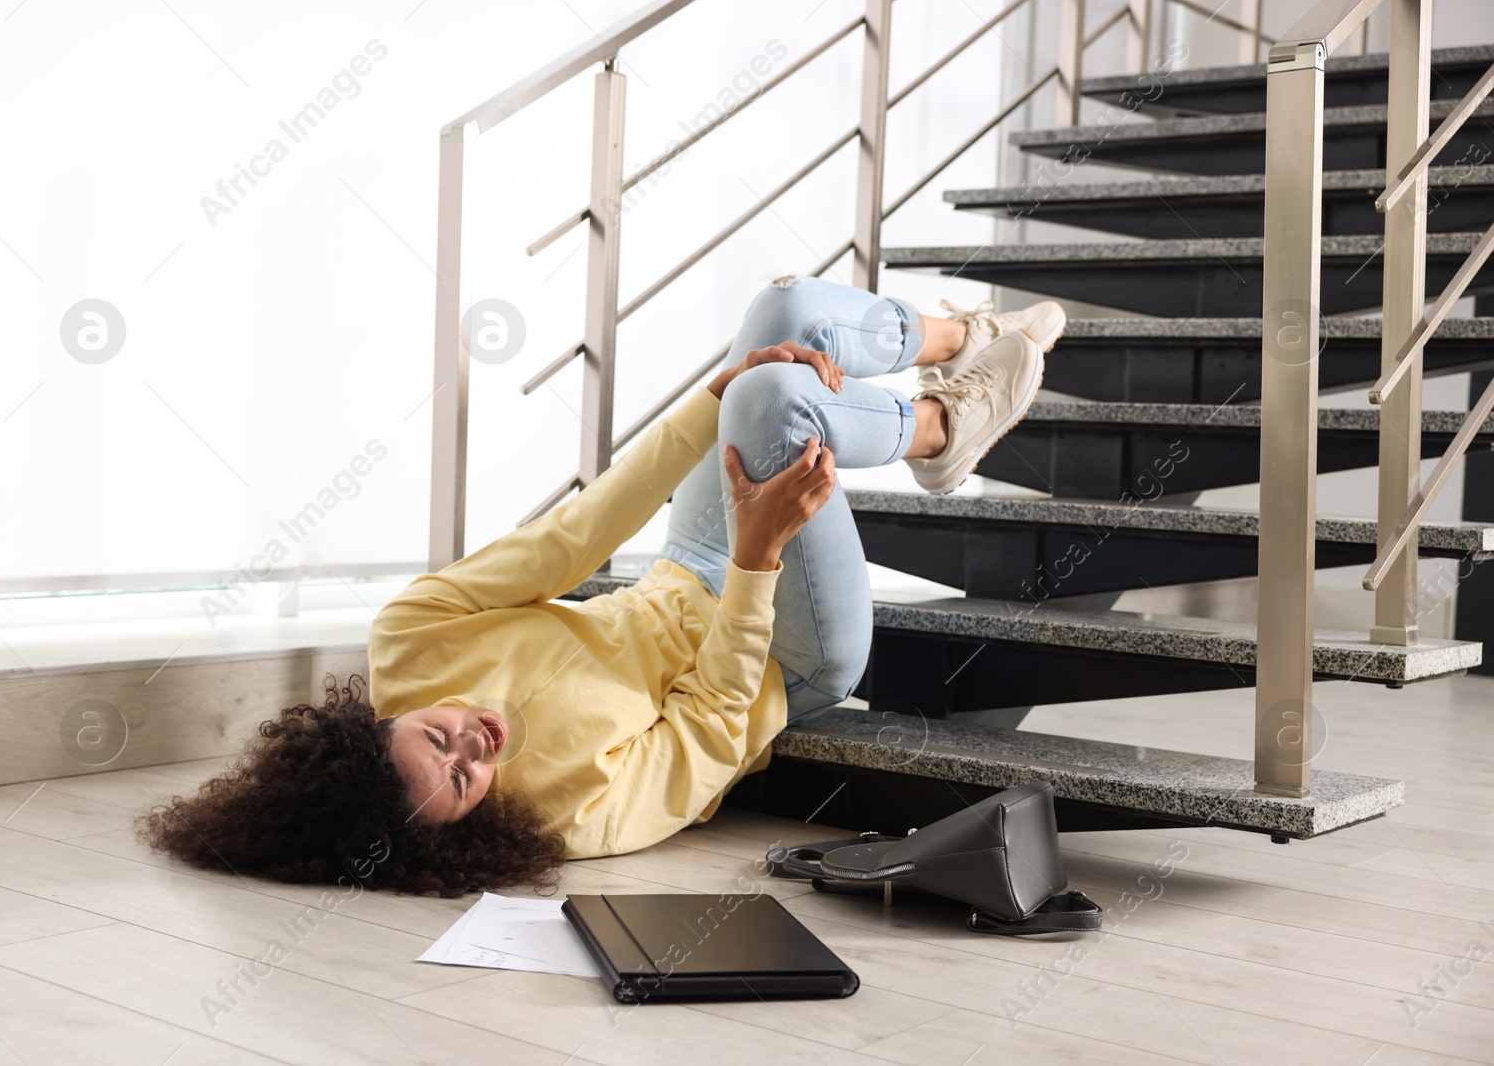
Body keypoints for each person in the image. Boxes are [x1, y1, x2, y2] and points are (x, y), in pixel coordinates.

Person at [139, 278, 1063, 896]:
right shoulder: (557, 819)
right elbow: (707, 724)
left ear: (384, 719)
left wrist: (707, 397)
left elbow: (575, 537)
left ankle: (968, 340)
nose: (474, 744)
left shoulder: (409, 640)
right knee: (779, 406)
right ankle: (949, 419)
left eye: (438, 736)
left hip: (683, 566)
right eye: (465, 782)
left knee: (780, 323)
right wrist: (756, 555)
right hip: (782, 651)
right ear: (465, 827)